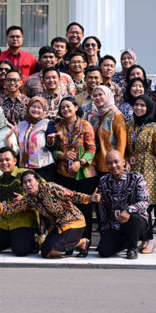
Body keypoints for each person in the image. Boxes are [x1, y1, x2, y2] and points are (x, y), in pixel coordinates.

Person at [0, 169, 94, 258]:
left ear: (38, 181)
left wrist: (89, 198)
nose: (28, 184)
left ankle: (82, 242)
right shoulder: (28, 199)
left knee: (50, 251)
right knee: (45, 251)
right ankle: (66, 246)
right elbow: (9, 209)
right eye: (24, 183)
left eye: (30, 181)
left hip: (73, 221)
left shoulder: (50, 187)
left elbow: (72, 195)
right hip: (58, 227)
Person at [49, 96, 98, 241]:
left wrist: (81, 162)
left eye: (68, 106)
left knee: (85, 208)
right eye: (62, 107)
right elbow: (54, 150)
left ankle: (85, 240)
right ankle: (69, 241)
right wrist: (62, 155)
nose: (65, 109)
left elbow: (91, 148)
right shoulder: (58, 127)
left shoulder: (85, 125)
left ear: (76, 107)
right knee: (67, 209)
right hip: (64, 173)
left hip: (84, 174)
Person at [126, 95, 156, 252]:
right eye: (136, 104)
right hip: (132, 167)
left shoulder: (154, 127)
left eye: (142, 105)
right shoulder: (128, 125)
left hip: (148, 168)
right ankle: (144, 240)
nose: (138, 108)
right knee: (136, 205)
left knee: (146, 206)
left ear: (148, 108)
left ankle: (150, 241)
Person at [94, 151, 150, 260]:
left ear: (123, 162)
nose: (113, 166)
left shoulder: (137, 177)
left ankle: (132, 248)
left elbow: (144, 202)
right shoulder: (103, 181)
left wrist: (129, 210)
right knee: (103, 251)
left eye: (116, 162)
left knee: (133, 218)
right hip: (115, 224)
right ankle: (127, 240)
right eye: (109, 163)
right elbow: (103, 209)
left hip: (136, 221)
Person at [0, 148, 38, 256]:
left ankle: (32, 240)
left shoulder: (27, 175)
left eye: (7, 159)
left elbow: (43, 192)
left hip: (24, 221)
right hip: (6, 222)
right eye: (1, 160)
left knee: (20, 251)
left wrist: (25, 198)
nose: (4, 163)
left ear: (15, 160)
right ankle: (15, 240)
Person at [15, 97, 55, 180]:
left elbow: (53, 147)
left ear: (43, 110)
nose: (36, 109)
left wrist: (50, 141)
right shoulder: (21, 124)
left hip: (43, 168)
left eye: (39, 107)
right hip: (24, 167)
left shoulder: (47, 123)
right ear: (28, 107)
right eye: (33, 106)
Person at [89, 85, 127, 173]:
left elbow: (122, 141)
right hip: (95, 164)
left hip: (111, 165)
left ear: (108, 95)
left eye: (100, 95)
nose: (97, 98)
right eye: (95, 96)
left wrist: (118, 163)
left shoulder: (116, 115)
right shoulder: (94, 117)